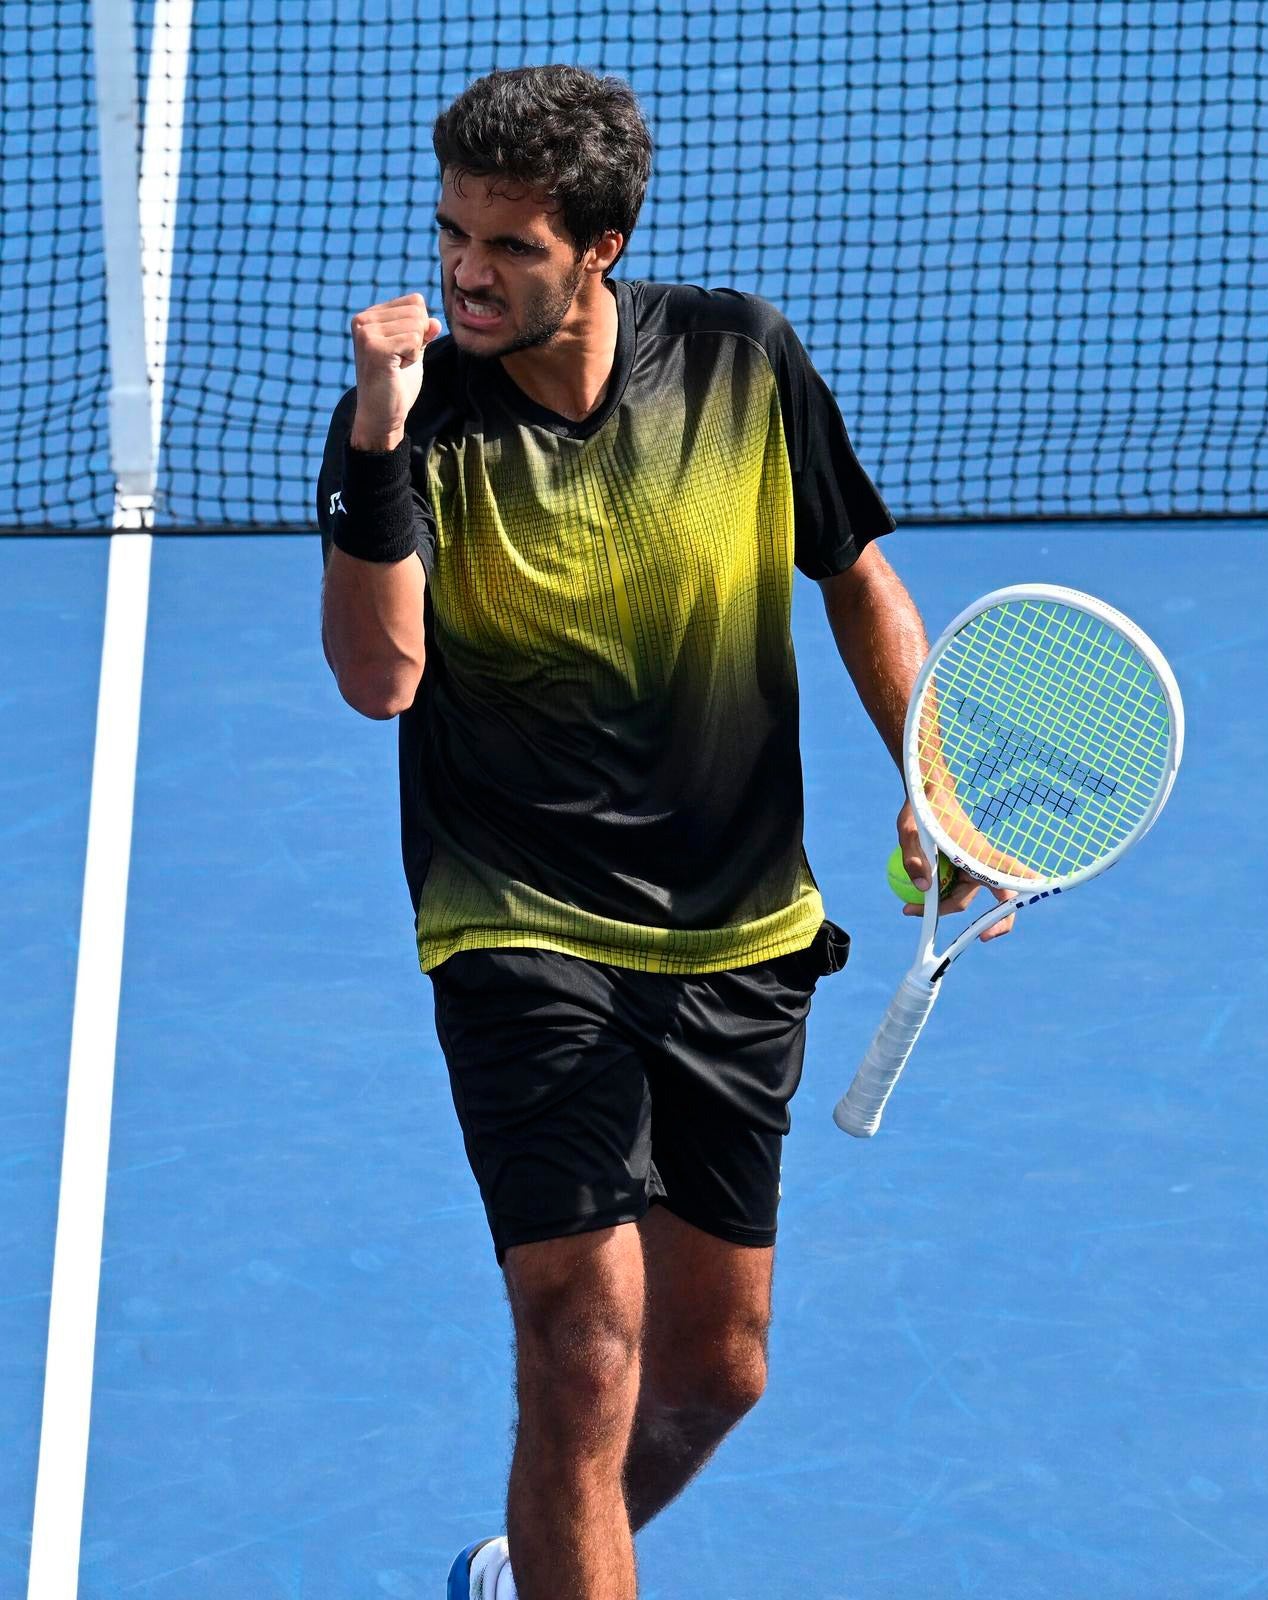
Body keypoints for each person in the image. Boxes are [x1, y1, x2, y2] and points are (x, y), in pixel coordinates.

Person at [318, 63, 1013, 1600]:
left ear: (603, 246)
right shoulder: (414, 419)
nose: (463, 274)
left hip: (740, 930)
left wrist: (932, 775)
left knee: (711, 1374)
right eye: (452, 235)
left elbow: (852, 569)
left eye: (507, 247)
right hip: (518, 920)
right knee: (584, 1343)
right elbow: (382, 680)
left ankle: (528, 1569)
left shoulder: (745, 362)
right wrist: (373, 446)